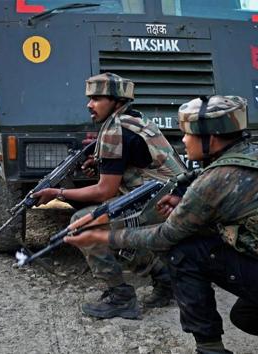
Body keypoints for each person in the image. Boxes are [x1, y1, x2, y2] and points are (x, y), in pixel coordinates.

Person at [64, 95, 258, 353]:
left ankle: (209, 350)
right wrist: (183, 200)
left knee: (185, 251)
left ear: (213, 138)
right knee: (246, 316)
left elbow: (164, 237)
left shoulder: (217, 180)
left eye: (190, 134)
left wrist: (102, 236)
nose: (185, 141)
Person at [32, 72, 187, 320]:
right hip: (173, 197)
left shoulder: (115, 129)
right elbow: (134, 164)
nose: (89, 105)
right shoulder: (132, 120)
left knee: (81, 225)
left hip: (164, 203)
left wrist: (56, 192)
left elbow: (105, 190)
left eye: (97, 98)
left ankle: (121, 297)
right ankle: (165, 278)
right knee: (101, 217)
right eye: (89, 98)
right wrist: (102, 163)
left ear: (116, 101)